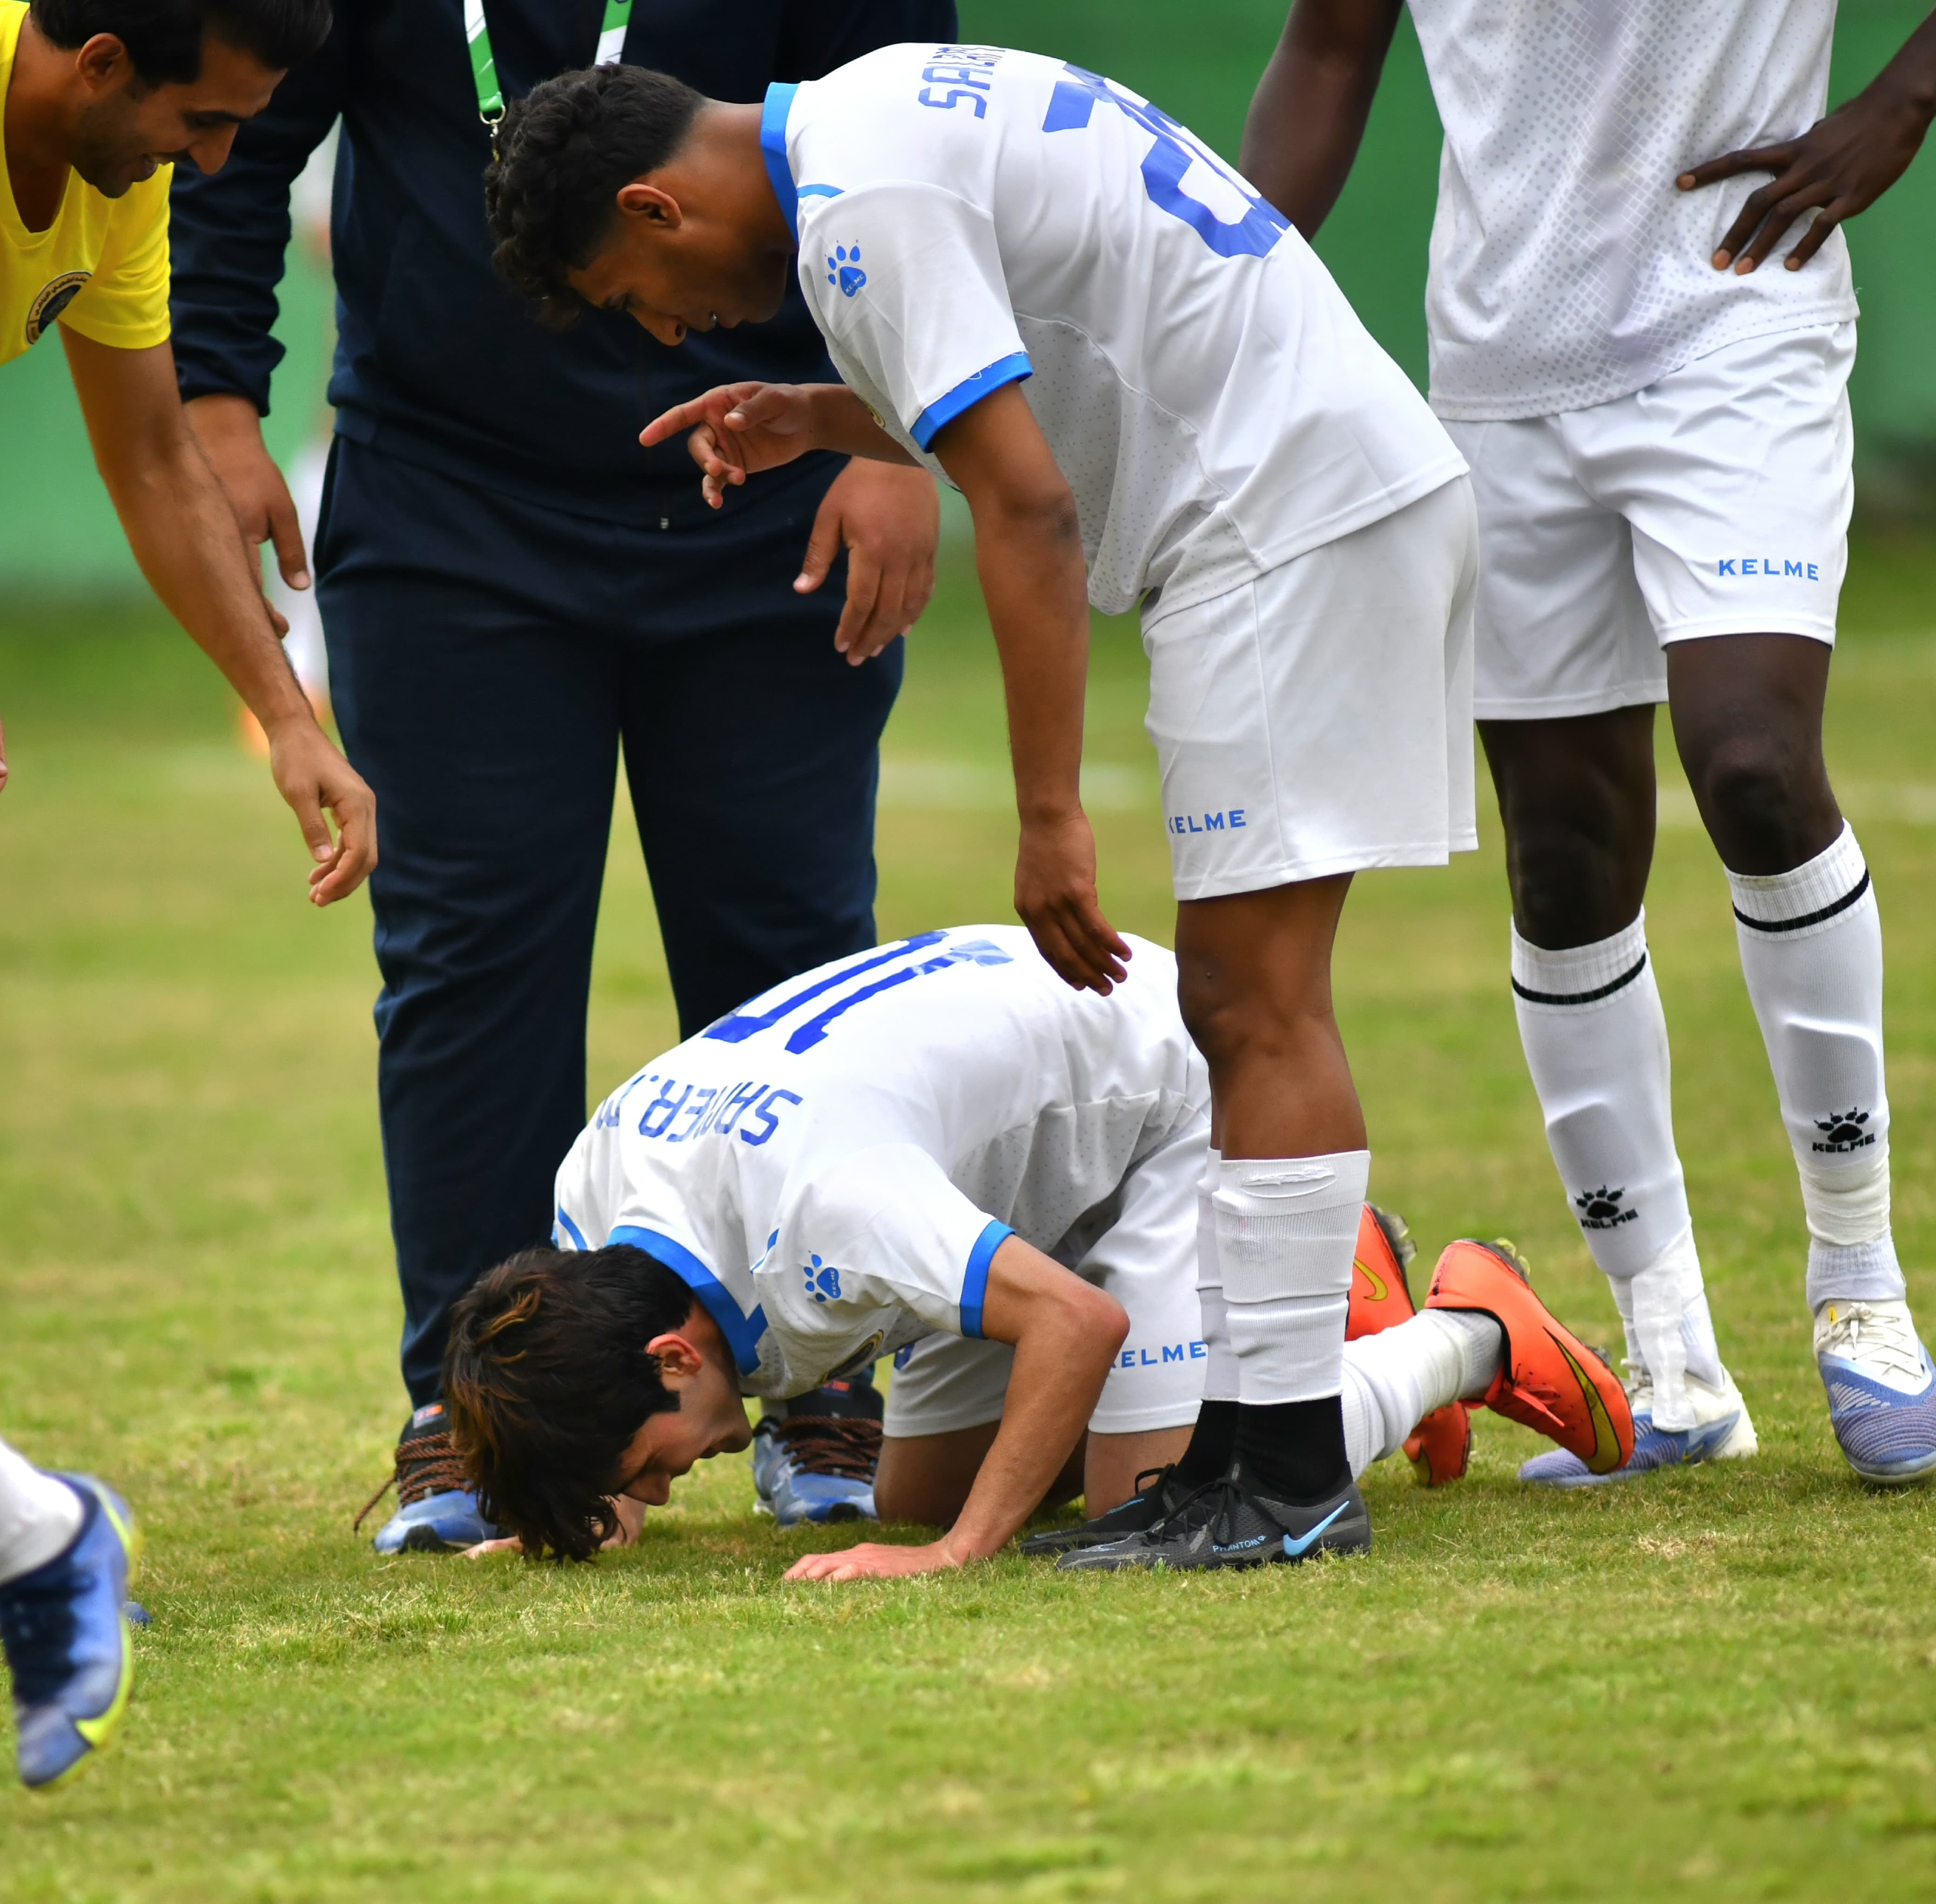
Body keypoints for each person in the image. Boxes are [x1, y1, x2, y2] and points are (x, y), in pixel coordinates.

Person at [481, 44, 1476, 1570]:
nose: (669, 330)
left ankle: (1304, 1456)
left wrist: (1050, 815)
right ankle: (1267, 1439)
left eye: (636, 295)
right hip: (1287, 494)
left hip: (1285, 516)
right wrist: (829, 417)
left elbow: (1027, 499)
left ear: (653, 205)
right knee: (1231, 1002)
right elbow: (1065, 353)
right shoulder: (875, 117)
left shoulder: (855, 209)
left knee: (1249, 1003)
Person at [164, 1, 957, 1556]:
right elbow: (238, 126)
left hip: (773, 476)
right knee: (469, 960)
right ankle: (470, 1417)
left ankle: (824, 1391)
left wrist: (893, 440)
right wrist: (212, 396)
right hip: (451, 498)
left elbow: (917, 144)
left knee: (793, 958)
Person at [1240, 2, 1936, 1485]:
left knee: (1751, 759)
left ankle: (1863, 1292)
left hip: (1741, 311)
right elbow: (1329, 46)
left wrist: (1906, 97)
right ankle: (1674, 1364)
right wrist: (1227, 294)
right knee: (1560, 859)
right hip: (1501, 371)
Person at [439, 926, 1633, 1575]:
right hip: (995, 1159)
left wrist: (958, 1560)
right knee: (916, 1495)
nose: (655, 1488)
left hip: (1164, 1097)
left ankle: (1464, 1332)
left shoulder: (826, 1206)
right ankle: (1308, 1293)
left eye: (640, 1467)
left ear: (668, 1358)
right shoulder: (592, 1210)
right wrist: (568, 1495)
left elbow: (1079, 1321)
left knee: (1157, 1501)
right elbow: (594, 1383)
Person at [0, 0, 363, 1789]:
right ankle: (38, 1542)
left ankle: (37, 1544)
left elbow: (150, 459)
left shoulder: (106, 170)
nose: (216, 166)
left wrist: (289, 718)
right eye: (203, 124)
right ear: (94, 65)